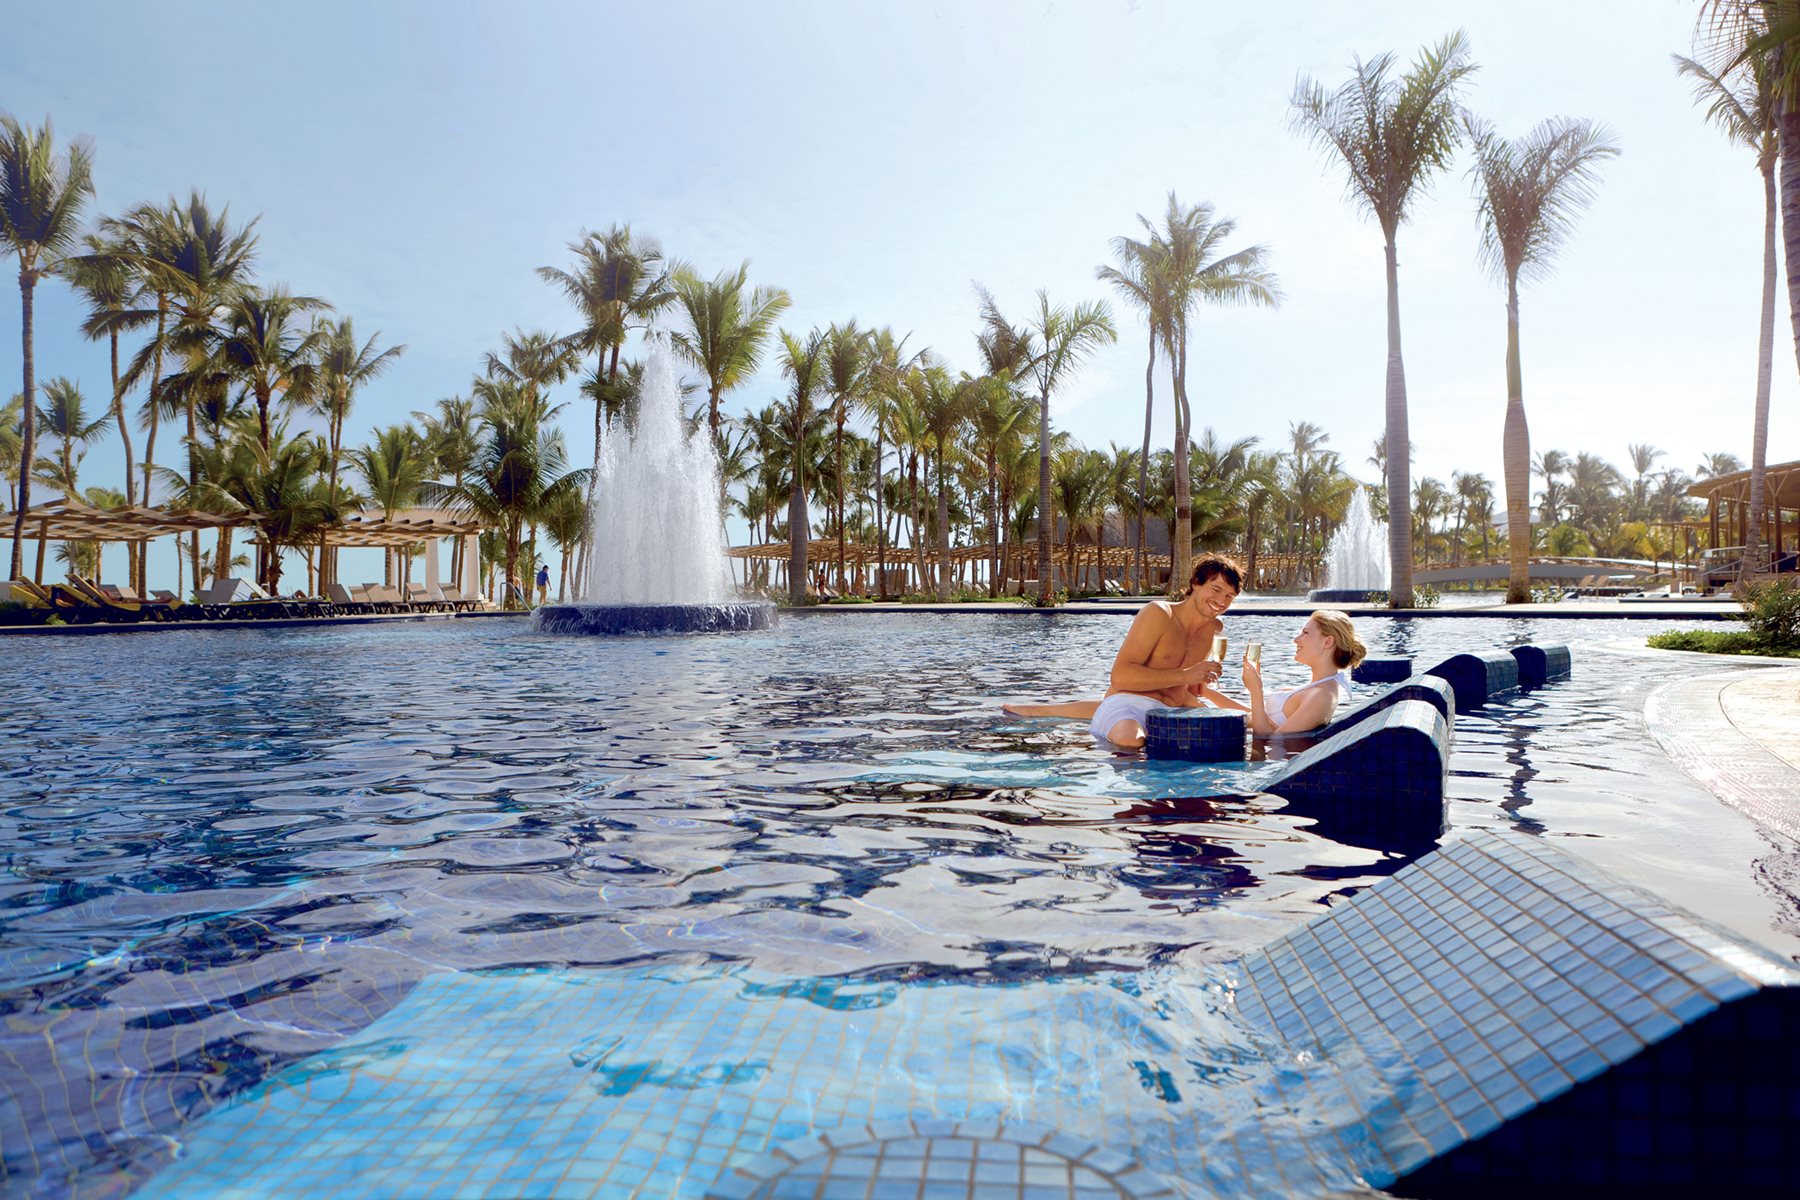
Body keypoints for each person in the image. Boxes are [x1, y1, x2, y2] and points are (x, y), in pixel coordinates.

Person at [1002, 553, 1243, 748]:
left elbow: (1188, 686)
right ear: (1196, 583)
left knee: (1230, 733)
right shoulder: (1159, 614)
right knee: (1130, 740)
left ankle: (1042, 711)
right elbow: (1120, 677)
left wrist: (1207, 699)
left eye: (1230, 596)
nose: (1222, 600)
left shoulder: (1215, 629)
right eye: (1216, 589)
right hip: (1130, 705)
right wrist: (1186, 675)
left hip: (1170, 714)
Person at [1205, 610, 1365, 735]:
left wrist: (1256, 690)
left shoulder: (1322, 696)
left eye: (1306, 633)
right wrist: (1207, 692)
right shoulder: (1317, 688)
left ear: (1328, 641)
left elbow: (1270, 740)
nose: (1296, 639)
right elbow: (1256, 716)